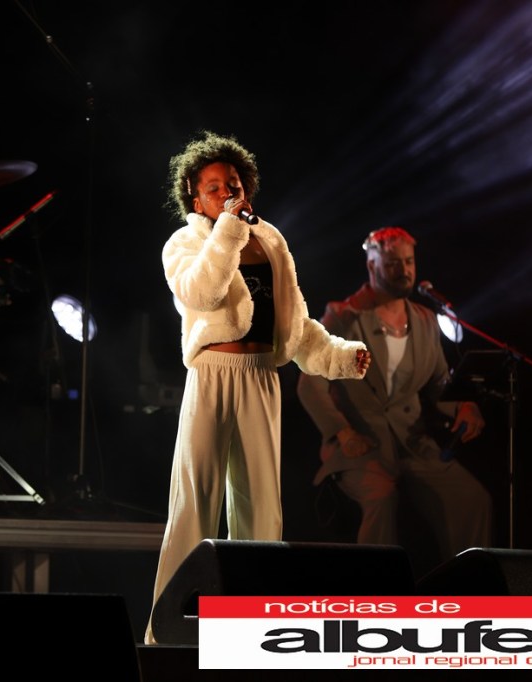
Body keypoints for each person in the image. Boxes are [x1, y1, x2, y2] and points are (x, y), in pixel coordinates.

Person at [144, 131, 371, 644]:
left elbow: (294, 322)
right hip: (212, 375)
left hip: (261, 377)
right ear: (195, 198)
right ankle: (168, 635)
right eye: (214, 187)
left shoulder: (270, 240)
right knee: (195, 503)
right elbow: (202, 294)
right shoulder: (184, 244)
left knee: (261, 509)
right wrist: (228, 231)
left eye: (234, 183)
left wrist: (337, 355)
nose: (228, 192)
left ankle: (254, 635)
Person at [296, 226, 492, 578]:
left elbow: (438, 384)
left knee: (471, 498)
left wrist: (463, 405)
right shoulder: (343, 316)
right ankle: (376, 594)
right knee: (380, 499)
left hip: (414, 444)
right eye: (393, 264)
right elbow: (310, 385)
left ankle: (468, 592)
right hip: (361, 444)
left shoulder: (425, 320)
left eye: (409, 262)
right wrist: (343, 433)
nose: (404, 271)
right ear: (372, 266)